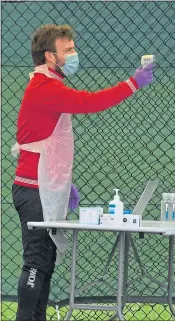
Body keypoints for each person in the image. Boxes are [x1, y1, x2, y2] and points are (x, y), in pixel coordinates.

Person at [11, 24, 155, 321]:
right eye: (69, 50)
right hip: (34, 188)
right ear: (50, 57)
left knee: (46, 262)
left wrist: (62, 180)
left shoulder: (50, 85)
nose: (75, 54)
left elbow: (47, 141)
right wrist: (132, 83)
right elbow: (88, 102)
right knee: (37, 261)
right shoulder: (45, 87)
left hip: (44, 185)